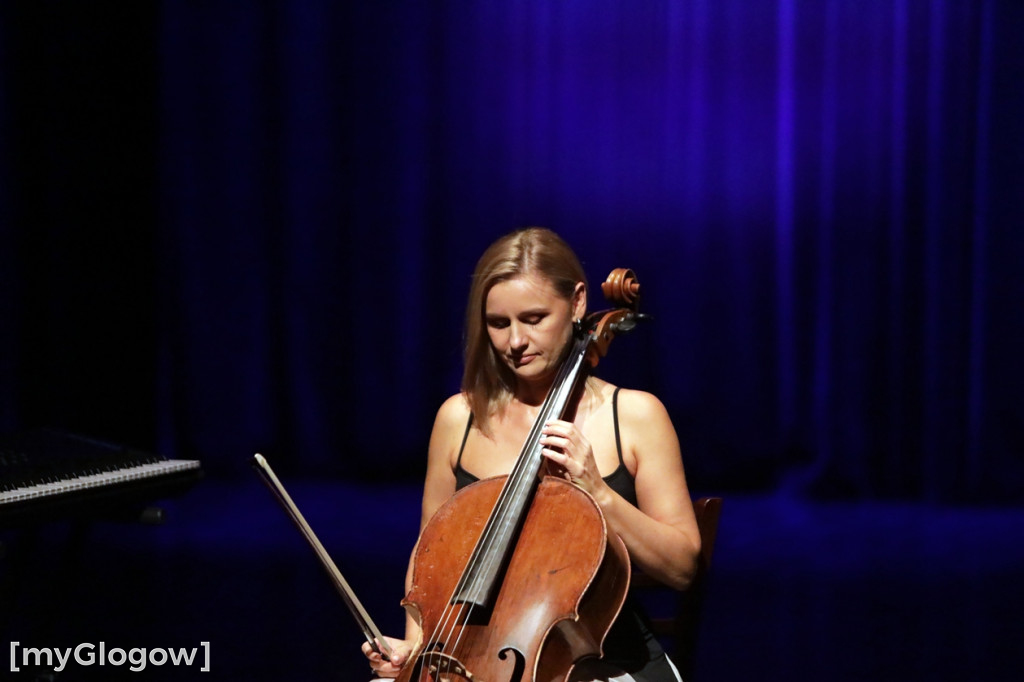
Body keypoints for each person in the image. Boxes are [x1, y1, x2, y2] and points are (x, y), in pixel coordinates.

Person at [364, 227, 701, 681]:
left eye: (534, 318)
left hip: (603, 665)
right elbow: (429, 561)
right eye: (498, 324)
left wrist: (598, 493)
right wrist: (420, 650)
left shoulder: (635, 416)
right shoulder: (458, 419)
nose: (515, 342)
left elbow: (682, 568)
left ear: (578, 302)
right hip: (472, 662)